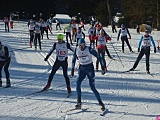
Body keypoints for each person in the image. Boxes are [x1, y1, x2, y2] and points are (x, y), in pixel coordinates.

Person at [70, 38, 106, 111]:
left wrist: (103, 67)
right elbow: (73, 60)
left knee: (92, 87)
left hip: (90, 68)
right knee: (77, 83)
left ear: (85, 44)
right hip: (81, 69)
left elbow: (98, 57)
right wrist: (72, 70)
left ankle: (101, 103)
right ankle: (79, 102)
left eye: (82, 45)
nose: (81, 47)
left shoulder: (89, 49)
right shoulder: (76, 50)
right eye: (79, 45)